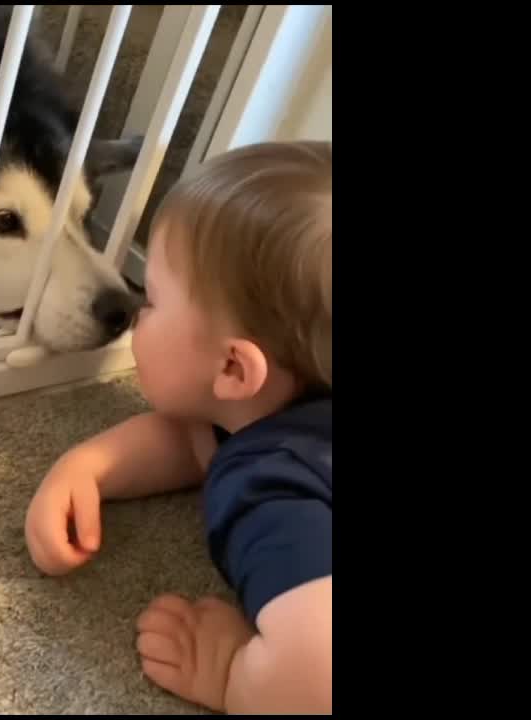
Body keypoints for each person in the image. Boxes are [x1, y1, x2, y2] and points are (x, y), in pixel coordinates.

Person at [23, 140, 333, 713]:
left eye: (154, 301)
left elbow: (320, 674)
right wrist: (88, 467)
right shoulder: (278, 413)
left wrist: (230, 674)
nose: (137, 313)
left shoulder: (273, 485)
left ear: (234, 368)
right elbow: (197, 440)